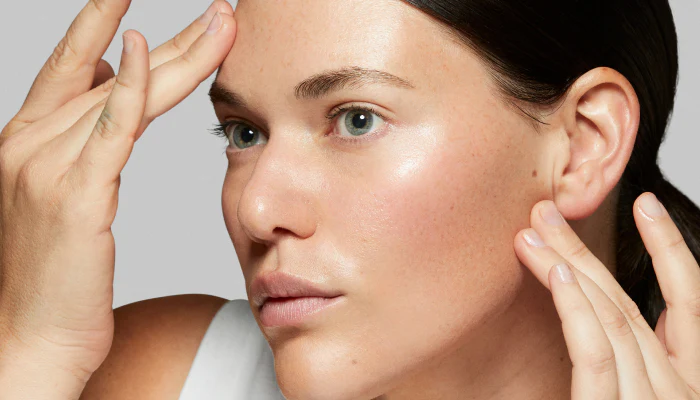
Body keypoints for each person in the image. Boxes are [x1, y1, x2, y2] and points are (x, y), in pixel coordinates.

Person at [1, 0, 700, 399]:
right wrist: (32, 351)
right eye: (244, 132)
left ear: (582, 145)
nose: (255, 209)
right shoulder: (163, 378)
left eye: (356, 119)